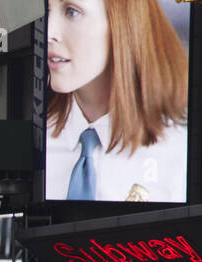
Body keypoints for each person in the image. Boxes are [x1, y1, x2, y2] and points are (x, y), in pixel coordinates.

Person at [45, 0, 187, 203]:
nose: (48, 31)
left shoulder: (179, 156)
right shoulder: (31, 147)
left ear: (121, 24)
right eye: (46, 10)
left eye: (72, 12)